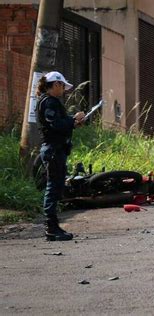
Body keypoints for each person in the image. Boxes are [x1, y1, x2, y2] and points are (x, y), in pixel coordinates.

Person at [35, 71, 85, 241]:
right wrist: (72, 120)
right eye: (63, 86)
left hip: (56, 150)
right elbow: (55, 124)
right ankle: (51, 227)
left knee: (56, 187)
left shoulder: (49, 101)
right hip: (53, 150)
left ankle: (53, 226)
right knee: (53, 187)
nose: (64, 90)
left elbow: (58, 124)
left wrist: (73, 122)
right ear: (56, 85)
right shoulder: (49, 102)